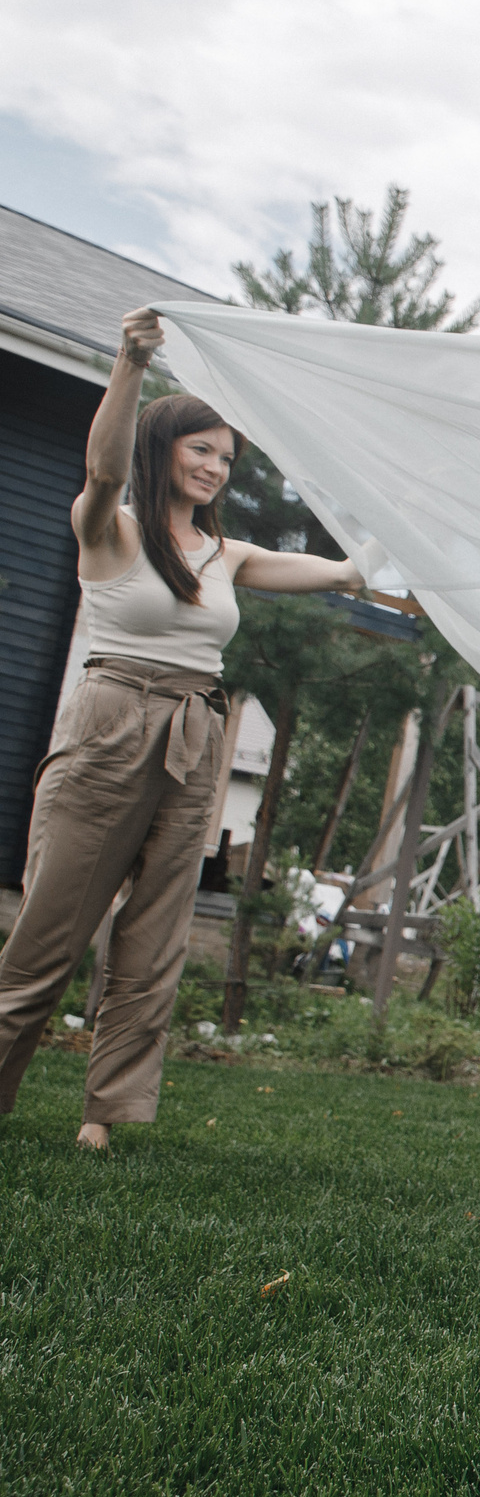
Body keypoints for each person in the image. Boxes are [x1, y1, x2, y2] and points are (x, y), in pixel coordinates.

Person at [0, 308, 363, 1152]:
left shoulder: (223, 553)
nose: (213, 466)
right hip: (110, 723)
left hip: (196, 734)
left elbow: (343, 571)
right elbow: (99, 467)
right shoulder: (112, 527)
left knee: (156, 935)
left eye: (226, 457)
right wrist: (130, 363)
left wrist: (396, 537)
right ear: (163, 446)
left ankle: (106, 1114)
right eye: (200, 447)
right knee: (50, 929)